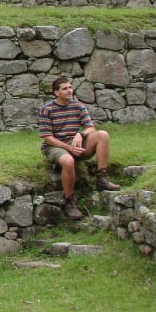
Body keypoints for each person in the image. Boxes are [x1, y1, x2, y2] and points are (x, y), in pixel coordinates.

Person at [38, 76, 121, 220]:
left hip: (77, 144)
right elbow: (48, 138)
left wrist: (80, 134)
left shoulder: (78, 105)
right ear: (56, 93)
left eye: (70, 87)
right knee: (68, 162)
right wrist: (68, 148)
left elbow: (90, 127)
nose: (69, 91)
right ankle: (69, 202)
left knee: (102, 135)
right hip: (56, 146)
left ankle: (102, 178)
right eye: (65, 88)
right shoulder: (47, 109)